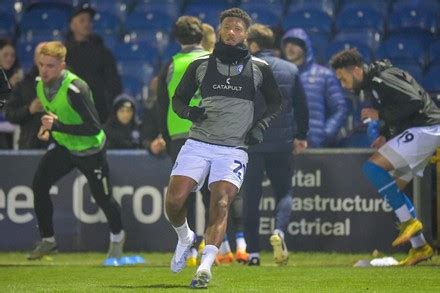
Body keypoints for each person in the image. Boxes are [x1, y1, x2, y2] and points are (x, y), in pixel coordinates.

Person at [165, 8, 282, 288]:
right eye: (228, 27)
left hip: (233, 149)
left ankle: (205, 267)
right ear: (219, 30)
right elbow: (178, 100)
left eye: (238, 29)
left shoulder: (259, 68)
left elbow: (276, 103)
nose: (232, 32)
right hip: (198, 143)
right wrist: (190, 113)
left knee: (220, 202)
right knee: (173, 201)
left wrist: (260, 126)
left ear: (245, 34)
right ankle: (185, 238)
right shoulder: (201, 64)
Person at [330, 48, 439, 266]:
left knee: (372, 168)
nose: (343, 85)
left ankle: (409, 223)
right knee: (393, 187)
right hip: (423, 131)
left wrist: (378, 116)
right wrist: (385, 135)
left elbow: (414, 102)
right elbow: (401, 110)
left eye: (343, 79)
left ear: (357, 70)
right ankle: (420, 247)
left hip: (428, 129)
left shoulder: (382, 78)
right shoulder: (375, 84)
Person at [27, 41, 125, 262]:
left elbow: (93, 128)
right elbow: (55, 114)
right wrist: (46, 129)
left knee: (104, 199)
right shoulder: (40, 84)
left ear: (62, 65)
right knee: (39, 184)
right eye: (41, 65)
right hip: (65, 147)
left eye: (50, 66)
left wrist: (56, 127)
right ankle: (48, 240)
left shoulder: (75, 89)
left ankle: (118, 238)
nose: (44, 70)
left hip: (91, 151)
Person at [243, 23, 309, 266]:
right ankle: (279, 231)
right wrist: (301, 135)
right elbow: (302, 108)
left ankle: (252, 254)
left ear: (253, 44)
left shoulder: (244, 68)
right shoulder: (291, 69)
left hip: (251, 144)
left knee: (251, 197)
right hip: (282, 143)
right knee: (285, 192)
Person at [156, 15, 210, 267]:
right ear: (201, 36)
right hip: (210, 134)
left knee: (182, 196)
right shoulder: (213, 61)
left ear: (177, 39)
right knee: (213, 194)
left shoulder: (171, 64)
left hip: (179, 135)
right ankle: (214, 248)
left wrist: (164, 135)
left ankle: (188, 247)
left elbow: (161, 104)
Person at [281, 28, 347, 147]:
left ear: (305, 47)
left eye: (295, 44)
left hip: (315, 144)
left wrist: (325, 133)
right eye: (287, 44)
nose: (290, 48)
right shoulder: (281, 75)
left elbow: (340, 108)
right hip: (286, 144)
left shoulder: (324, 75)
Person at [65, 3, 122, 123]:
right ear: (72, 25)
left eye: (89, 21)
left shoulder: (102, 51)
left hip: (99, 111)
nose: (87, 24)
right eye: (82, 20)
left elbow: (113, 81)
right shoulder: (64, 53)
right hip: (71, 110)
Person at [5, 42, 49, 149]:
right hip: (30, 145)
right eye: (41, 54)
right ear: (35, 59)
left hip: (58, 146)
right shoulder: (23, 85)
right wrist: (29, 110)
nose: (44, 58)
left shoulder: (63, 84)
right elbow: (10, 114)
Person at [0, 39, 23, 148]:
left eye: (12, 55)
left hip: (13, 122)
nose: (9, 58)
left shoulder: (18, 75)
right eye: (5, 55)